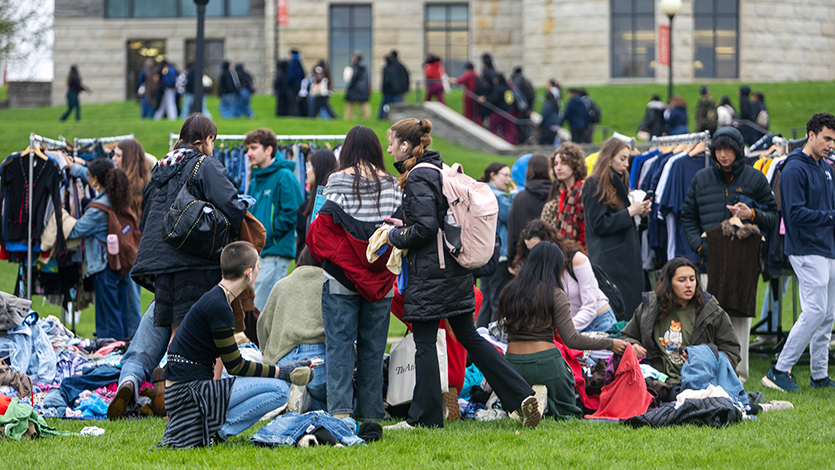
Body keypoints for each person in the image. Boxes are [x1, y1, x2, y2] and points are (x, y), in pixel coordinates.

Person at [384, 118, 541, 430]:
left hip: (431, 274)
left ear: (404, 145)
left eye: (391, 142)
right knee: (469, 336)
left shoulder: (417, 177)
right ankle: (522, 394)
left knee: (425, 342)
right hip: (457, 270)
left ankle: (424, 419)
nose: (388, 148)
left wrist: (394, 237)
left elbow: (427, 229)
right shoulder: (441, 170)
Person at [157, 241, 314, 448]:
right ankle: (217, 431)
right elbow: (236, 366)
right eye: (258, 266)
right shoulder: (219, 306)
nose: (259, 270)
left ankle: (212, 429)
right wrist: (281, 371)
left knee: (276, 386)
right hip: (187, 394)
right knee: (279, 390)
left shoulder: (217, 299)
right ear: (248, 273)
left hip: (185, 390)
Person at [306, 125, 401, 420]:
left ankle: (340, 411)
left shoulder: (336, 179)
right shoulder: (392, 183)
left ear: (346, 149)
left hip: (340, 277)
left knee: (339, 346)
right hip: (381, 278)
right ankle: (371, 411)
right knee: (374, 348)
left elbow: (321, 227)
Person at [132, 114, 248, 338]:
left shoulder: (162, 166)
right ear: (208, 138)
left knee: (178, 331)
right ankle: (208, 376)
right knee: (210, 332)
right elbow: (231, 205)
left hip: (162, 264)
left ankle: (171, 374)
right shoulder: (205, 165)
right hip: (197, 261)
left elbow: (146, 214)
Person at [680, 126, 778, 381]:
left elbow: (774, 216)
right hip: (708, 261)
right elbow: (687, 215)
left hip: (742, 263)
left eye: (728, 149)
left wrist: (751, 214)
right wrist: (699, 245)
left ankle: (738, 376)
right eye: (718, 149)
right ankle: (705, 371)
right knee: (705, 316)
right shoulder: (701, 178)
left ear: (738, 150)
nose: (723, 154)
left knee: (739, 318)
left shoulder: (755, 179)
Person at [500, 241, 627, 419]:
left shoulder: (509, 291)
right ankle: (543, 404)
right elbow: (572, 339)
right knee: (568, 413)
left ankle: (536, 403)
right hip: (547, 365)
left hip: (513, 365)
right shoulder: (553, 293)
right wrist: (610, 343)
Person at [763, 113, 835, 392]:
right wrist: (831, 217)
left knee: (827, 314)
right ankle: (779, 370)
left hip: (826, 248)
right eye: (827, 138)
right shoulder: (793, 168)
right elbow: (793, 213)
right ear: (811, 134)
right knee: (815, 311)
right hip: (805, 248)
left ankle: (819, 376)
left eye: (833, 139)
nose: (830, 144)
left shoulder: (826, 167)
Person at [621, 257, 741, 391]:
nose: (689, 285)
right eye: (682, 280)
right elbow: (625, 336)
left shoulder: (711, 311)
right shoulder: (649, 308)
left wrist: (704, 360)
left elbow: (732, 350)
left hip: (702, 382)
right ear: (669, 283)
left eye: (692, 279)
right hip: (658, 382)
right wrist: (633, 345)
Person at [67, 158, 141, 340]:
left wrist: (62, 214)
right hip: (121, 263)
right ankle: (121, 351)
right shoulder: (117, 197)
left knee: (108, 317)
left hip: (104, 266)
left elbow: (76, 230)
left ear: (94, 180)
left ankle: (109, 351)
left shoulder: (97, 209)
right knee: (120, 312)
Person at [582, 138, 650, 321]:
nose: (627, 164)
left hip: (625, 261)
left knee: (631, 314)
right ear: (609, 157)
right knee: (620, 315)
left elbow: (622, 223)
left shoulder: (616, 180)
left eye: (628, 159)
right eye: (622, 159)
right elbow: (598, 224)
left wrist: (640, 216)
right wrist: (630, 212)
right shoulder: (593, 183)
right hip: (611, 263)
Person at [513, 220, 616, 334]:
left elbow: (590, 306)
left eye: (537, 249)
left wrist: (562, 331)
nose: (534, 254)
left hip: (598, 322)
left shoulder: (576, 260)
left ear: (549, 243)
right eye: (529, 250)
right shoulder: (540, 268)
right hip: (571, 329)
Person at [257, 247, 328, 411]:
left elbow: (263, 323)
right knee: (332, 399)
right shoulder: (329, 286)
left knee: (284, 390)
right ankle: (309, 402)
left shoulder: (282, 285)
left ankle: (295, 396)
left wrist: (264, 350)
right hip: (319, 362)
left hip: (284, 362)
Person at [244, 128, 303, 311]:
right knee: (253, 313)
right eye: (247, 148)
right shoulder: (255, 181)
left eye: (254, 148)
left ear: (269, 150)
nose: (249, 153)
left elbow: (293, 213)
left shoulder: (284, 176)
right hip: (257, 257)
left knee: (260, 313)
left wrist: (265, 236)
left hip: (274, 254)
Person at [475, 162, 516, 328]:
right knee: (497, 301)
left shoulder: (478, 192)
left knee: (485, 299)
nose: (508, 180)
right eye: (505, 175)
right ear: (492, 175)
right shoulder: (499, 196)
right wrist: (514, 196)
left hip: (483, 254)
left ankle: (481, 337)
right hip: (499, 255)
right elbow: (511, 216)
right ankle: (492, 342)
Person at [507, 154, 552, 271]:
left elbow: (513, 231)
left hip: (527, 258)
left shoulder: (520, 198)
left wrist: (512, 260)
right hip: (554, 257)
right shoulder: (557, 196)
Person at [541, 143, 587, 250]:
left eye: (564, 163)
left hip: (582, 252)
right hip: (566, 251)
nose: (558, 168)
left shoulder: (584, 190)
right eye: (556, 164)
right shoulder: (565, 194)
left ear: (575, 164)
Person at [296, 149, 337, 260]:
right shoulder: (305, 208)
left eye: (309, 167)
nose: (306, 171)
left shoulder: (332, 205)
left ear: (318, 169)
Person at [479, 73, 517, 144]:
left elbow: (494, 98)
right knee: (506, 129)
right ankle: (510, 144)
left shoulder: (498, 88)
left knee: (492, 125)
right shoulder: (507, 88)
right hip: (509, 111)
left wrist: (485, 98)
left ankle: (496, 142)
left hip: (500, 111)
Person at [510, 67, 536, 144]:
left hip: (519, 107)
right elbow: (532, 95)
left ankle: (523, 139)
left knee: (520, 124)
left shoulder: (516, 81)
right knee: (526, 123)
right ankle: (528, 138)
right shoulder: (527, 82)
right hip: (526, 107)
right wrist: (530, 108)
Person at [344, 52, 371, 120]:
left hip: (356, 87)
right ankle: (366, 116)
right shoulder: (364, 66)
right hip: (363, 87)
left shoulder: (356, 67)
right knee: (363, 102)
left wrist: (349, 86)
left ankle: (349, 116)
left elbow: (354, 78)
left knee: (350, 102)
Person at [538, 80, 561, 145]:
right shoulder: (556, 105)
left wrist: (540, 125)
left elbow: (545, 115)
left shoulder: (548, 104)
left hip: (548, 126)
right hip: (555, 126)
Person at [379, 55, 400, 120]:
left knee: (386, 105)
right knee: (394, 104)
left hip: (388, 90)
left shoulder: (387, 69)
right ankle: (394, 115)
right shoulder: (394, 68)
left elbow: (386, 80)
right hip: (394, 90)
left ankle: (384, 116)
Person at [286, 49, 306, 117]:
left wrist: (288, 82)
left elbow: (290, 75)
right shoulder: (299, 63)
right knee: (296, 101)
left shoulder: (291, 63)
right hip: (298, 84)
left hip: (292, 85)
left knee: (292, 101)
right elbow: (303, 74)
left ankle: (294, 114)